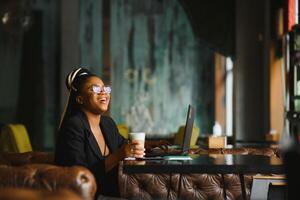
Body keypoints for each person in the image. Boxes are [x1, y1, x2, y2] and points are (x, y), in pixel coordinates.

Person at [55, 67, 147, 198]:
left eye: (105, 88)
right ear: (80, 99)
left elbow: (125, 145)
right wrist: (119, 155)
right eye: (96, 89)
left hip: (115, 192)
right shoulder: (74, 126)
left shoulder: (107, 123)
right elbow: (79, 176)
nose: (104, 92)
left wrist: (161, 148)